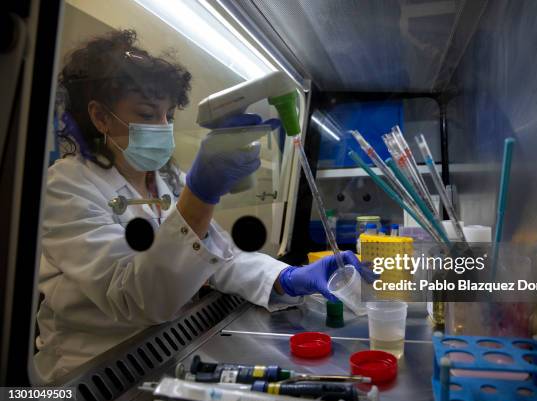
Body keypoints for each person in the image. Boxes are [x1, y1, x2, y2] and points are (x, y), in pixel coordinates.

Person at [35, 30, 366, 382]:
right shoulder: (64, 187)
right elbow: (137, 298)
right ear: (101, 117)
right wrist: (201, 195)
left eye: (168, 116)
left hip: (162, 353)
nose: (163, 128)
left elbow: (218, 257)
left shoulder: (166, 177)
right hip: (89, 375)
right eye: (147, 114)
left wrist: (285, 278)